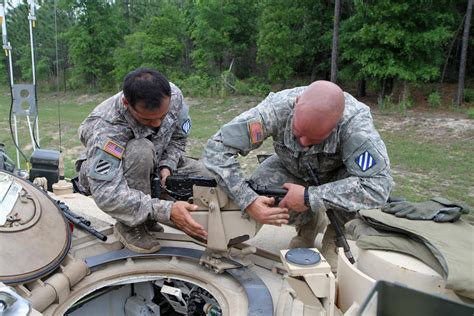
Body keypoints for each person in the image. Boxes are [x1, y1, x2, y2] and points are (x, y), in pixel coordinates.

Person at [203, 80, 394, 265]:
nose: (302, 143)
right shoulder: (276, 109)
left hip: (335, 177)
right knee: (261, 187)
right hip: (291, 168)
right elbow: (216, 148)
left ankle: (335, 236)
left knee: (354, 186)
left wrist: (309, 197)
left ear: (336, 125)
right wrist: (248, 200)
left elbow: (378, 186)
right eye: (298, 132)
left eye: (314, 139)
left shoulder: (355, 127)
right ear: (296, 105)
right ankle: (309, 224)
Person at [76, 68, 208, 254]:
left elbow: (178, 138)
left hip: (156, 162)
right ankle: (131, 224)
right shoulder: (105, 127)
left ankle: (166, 213)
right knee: (141, 150)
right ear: (126, 103)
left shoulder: (174, 96)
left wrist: (167, 164)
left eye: (162, 117)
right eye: (146, 119)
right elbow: (107, 194)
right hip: (113, 176)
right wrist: (166, 210)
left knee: (207, 173)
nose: (156, 124)